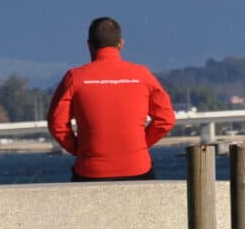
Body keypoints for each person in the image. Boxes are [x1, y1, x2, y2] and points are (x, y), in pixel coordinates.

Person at [47, 16, 175, 181]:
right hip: (138, 168)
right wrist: (140, 145)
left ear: (89, 45)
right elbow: (166, 119)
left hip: (91, 171)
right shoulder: (142, 75)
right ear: (121, 44)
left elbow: (57, 123)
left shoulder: (74, 78)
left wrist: (79, 149)